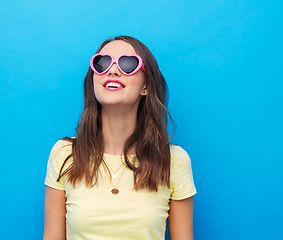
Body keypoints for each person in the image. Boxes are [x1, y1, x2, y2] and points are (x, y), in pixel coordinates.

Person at [43, 36, 197, 240]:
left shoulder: (174, 160)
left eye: (127, 64)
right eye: (103, 62)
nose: (112, 70)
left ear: (146, 87)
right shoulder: (64, 154)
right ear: (93, 79)